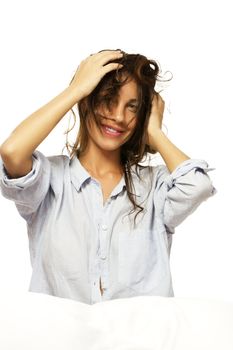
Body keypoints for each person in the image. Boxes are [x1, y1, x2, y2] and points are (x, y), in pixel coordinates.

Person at [0, 49, 217, 304]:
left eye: (132, 107)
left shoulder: (154, 187)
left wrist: (155, 132)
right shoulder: (51, 181)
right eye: (108, 99)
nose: (118, 116)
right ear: (87, 101)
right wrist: (75, 90)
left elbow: (197, 185)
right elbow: (12, 151)